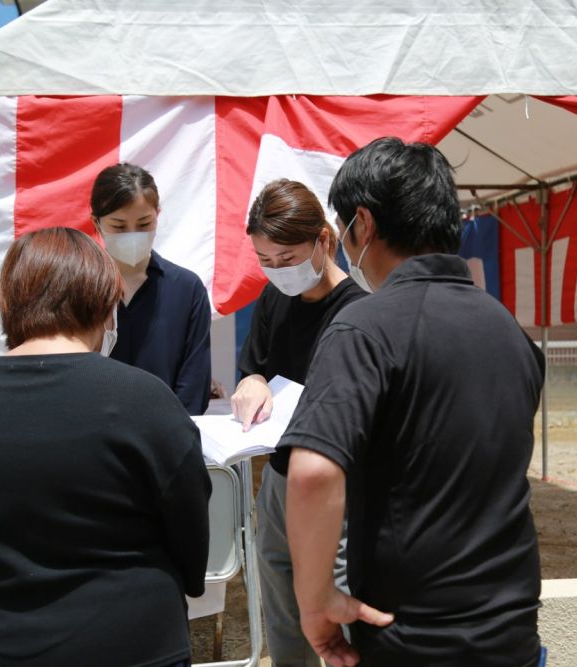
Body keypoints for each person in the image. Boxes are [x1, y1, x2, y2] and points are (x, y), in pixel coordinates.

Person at [278, 138, 545, 667]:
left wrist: (315, 601)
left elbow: (312, 473)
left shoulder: (363, 327)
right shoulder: (510, 333)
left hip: (413, 641)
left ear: (364, 224)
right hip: (513, 634)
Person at [0, 227, 211, 666]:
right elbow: (189, 517)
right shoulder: (142, 398)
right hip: (126, 637)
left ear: (9, 302)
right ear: (103, 304)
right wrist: (189, 581)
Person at [231, 179, 366, 667]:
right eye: (264, 261)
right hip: (281, 476)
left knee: (341, 589)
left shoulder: (358, 311)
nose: (276, 272)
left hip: (339, 483)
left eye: (286, 259)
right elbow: (255, 369)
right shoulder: (274, 300)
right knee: (280, 587)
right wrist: (252, 383)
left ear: (323, 240)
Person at [90, 162, 212, 415]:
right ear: (96, 223)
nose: (132, 234)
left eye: (144, 223)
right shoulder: (79, 288)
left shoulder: (187, 289)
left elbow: (193, 386)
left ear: (158, 214)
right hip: (94, 442)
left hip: (167, 441)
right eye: (119, 226)